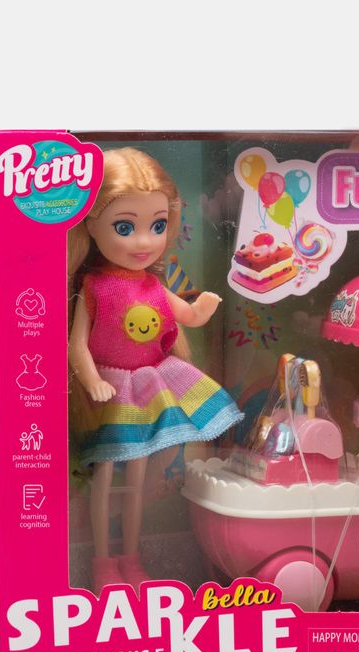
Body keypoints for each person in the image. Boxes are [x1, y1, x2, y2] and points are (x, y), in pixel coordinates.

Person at [68, 147, 242, 594]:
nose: (144, 241)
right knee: (104, 479)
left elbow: (186, 315)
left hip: (149, 384)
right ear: (91, 224)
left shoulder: (152, 284)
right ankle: (103, 561)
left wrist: (203, 310)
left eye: (158, 226)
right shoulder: (94, 286)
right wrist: (92, 380)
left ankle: (131, 556)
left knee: (139, 480)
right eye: (125, 227)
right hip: (112, 388)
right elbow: (77, 345)